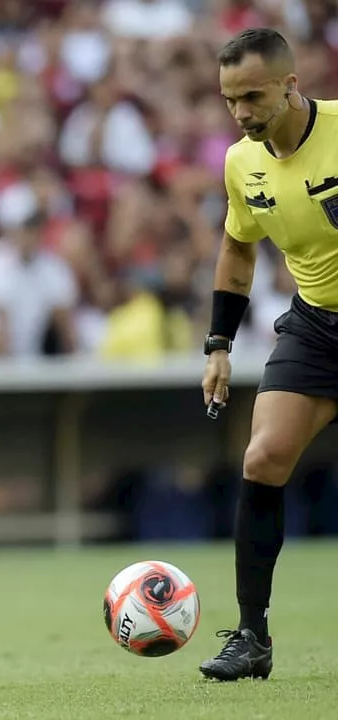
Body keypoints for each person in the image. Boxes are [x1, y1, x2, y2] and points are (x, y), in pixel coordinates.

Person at [198, 27, 338, 682]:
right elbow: (238, 246)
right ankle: (251, 636)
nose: (241, 113)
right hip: (316, 328)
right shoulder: (240, 162)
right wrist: (219, 344)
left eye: (252, 96)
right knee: (262, 458)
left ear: (290, 85)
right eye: (230, 100)